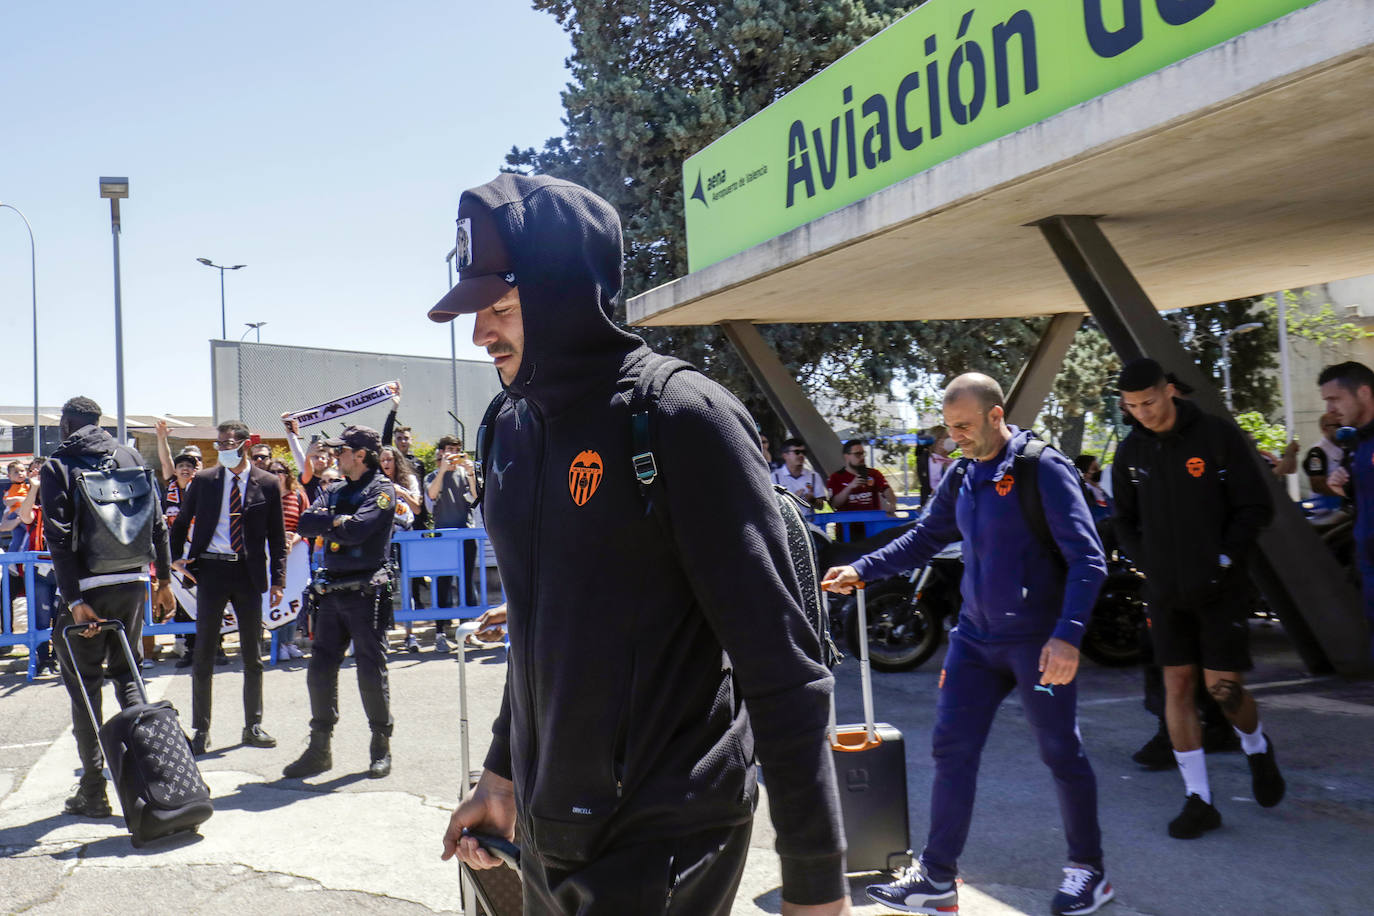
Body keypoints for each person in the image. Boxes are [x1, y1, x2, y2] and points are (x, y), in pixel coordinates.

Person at [432, 174, 847, 915]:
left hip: (666, 834)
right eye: (475, 311)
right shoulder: (508, 429)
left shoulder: (680, 417)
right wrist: (501, 776)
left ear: (563, 294)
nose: (481, 334)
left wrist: (816, 884)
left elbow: (782, 667)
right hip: (546, 825)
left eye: (501, 307)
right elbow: (536, 632)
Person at [825, 373, 1113, 916]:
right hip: (976, 640)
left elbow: (1087, 558)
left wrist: (1068, 636)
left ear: (996, 416)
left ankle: (1088, 872)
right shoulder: (963, 474)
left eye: (963, 425)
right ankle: (937, 879)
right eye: (948, 426)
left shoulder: (1041, 469)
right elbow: (925, 537)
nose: (954, 435)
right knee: (951, 750)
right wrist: (862, 569)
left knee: (1060, 753)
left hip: (1036, 642)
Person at [1112, 358, 1281, 840]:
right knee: (1178, 688)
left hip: (1220, 590)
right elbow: (1123, 519)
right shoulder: (1130, 452)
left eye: (1148, 402)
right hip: (1165, 593)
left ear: (1169, 391)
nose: (1142, 413)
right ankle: (1199, 799)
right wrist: (1144, 559)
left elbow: (1255, 506)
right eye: (1131, 406)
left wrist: (1226, 558)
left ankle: (1255, 746)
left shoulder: (1215, 436)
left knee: (1223, 692)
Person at [40, 396, 175, 817]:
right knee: (128, 674)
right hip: (134, 580)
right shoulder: (129, 454)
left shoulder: (58, 465)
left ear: (66, 425)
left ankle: (94, 790)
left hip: (89, 586)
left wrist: (75, 599)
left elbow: (59, 537)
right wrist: (164, 580)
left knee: (85, 689)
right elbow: (157, 522)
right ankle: (155, 779)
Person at [282, 425, 397, 780]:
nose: (336, 456)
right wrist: (337, 521)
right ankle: (319, 749)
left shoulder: (382, 490)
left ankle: (381, 746)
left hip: (366, 592)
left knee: (369, 672)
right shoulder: (333, 488)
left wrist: (330, 523)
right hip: (331, 592)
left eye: (342, 450)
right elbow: (305, 521)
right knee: (319, 672)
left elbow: (358, 530)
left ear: (361, 455)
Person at [169, 419, 288, 756]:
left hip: (248, 574)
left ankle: (253, 724)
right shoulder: (205, 481)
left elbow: (277, 538)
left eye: (227, 443)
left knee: (253, 655)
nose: (222, 449)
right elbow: (179, 524)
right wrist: (175, 558)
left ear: (245, 443)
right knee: (204, 652)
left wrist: (278, 579)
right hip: (211, 571)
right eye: (218, 444)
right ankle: (201, 729)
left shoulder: (267, 483)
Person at [1319, 361, 1374, 658]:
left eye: (1335, 399)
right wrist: (1345, 486)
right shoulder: (1356, 443)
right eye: (1327, 401)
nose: (1330, 409)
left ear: (1364, 392)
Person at [424, 434, 477, 650]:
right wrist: (444, 470)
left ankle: (469, 631)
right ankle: (440, 633)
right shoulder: (432, 475)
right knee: (442, 584)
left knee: (467, 583)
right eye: (449, 450)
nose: (453, 454)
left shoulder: (466, 474)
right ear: (441, 452)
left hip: (465, 534)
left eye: (457, 449)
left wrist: (471, 472)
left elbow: (476, 498)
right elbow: (431, 498)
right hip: (442, 538)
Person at [379, 445, 422, 652]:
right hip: (383, 539)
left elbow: (417, 508)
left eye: (390, 460)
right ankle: (384, 634)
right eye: (383, 460)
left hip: (405, 535)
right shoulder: (377, 481)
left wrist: (401, 493)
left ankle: (410, 634)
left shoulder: (409, 480)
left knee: (407, 587)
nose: (386, 464)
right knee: (384, 587)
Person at [269, 460, 311, 660]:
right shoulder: (263, 496)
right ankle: (278, 643)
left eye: (281, 471)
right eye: (273, 471)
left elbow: (306, 525)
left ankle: (290, 641)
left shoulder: (298, 495)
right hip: (271, 553)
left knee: (293, 596)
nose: (278, 474)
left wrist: (291, 542)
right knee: (275, 598)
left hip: (295, 551)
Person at [828, 439, 897, 513]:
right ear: (846, 456)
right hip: (847, 522)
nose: (862, 457)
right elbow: (834, 504)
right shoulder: (835, 477)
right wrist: (850, 487)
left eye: (863, 453)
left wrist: (892, 503)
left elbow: (887, 491)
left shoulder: (874, 474)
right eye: (857, 454)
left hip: (872, 521)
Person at [771, 438, 828, 517]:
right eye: (797, 452)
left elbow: (822, 507)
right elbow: (772, 505)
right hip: (786, 524)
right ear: (785, 455)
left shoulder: (814, 476)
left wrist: (813, 500)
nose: (801, 455)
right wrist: (793, 499)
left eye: (803, 452)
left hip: (810, 524)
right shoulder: (774, 477)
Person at [1303, 411, 1346, 499]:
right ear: (1324, 429)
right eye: (1337, 425)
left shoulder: (1347, 447)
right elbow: (1317, 486)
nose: (1342, 429)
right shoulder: (1316, 452)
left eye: (1343, 425)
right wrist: (1345, 497)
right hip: (1324, 509)